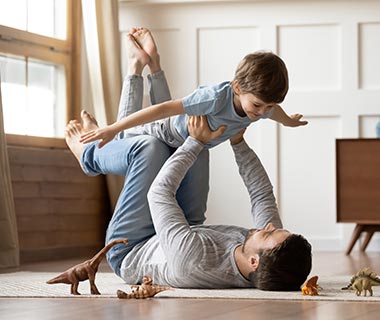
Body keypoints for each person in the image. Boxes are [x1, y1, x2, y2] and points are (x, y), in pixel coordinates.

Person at [65, 110, 311, 291]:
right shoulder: (266, 250)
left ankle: (88, 154)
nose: (268, 227)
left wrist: (196, 141)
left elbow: (158, 193)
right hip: (186, 228)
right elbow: (261, 194)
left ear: (254, 261)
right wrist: (238, 142)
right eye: (276, 229)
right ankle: (108, 136)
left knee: (150, 149)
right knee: (196, 139)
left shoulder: (194, 262)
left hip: (132, 246)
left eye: (268, 234)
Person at [79, 27, 308, 149]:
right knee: (121, 139)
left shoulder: (261, 105)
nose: (261, 112)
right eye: (258, 105)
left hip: (181, 135)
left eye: (268, 106)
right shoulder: (215, 98)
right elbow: (164, 109)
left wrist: (289, 121)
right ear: (237, 87)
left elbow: (274, 112)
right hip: (166, 131)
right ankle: (136, 66)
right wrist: (113, 128)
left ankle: (154, 62)